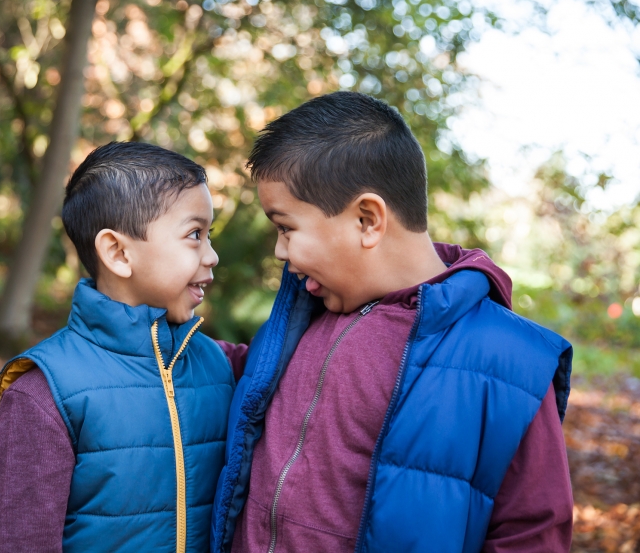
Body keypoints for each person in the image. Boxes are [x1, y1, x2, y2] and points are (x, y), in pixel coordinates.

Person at [210, 92, 574, 553]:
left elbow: (531, 533)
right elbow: (253, 373)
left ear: (367, 220)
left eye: (286, 228)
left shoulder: (510, 365)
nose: (281, 252)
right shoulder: (309, 312)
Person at [0, 142, 235, 553]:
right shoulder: (46, 392)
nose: (211, 255)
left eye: (209, 235)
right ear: (119, 253)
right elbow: (22, 541)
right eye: (195, 234)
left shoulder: (215, 364)